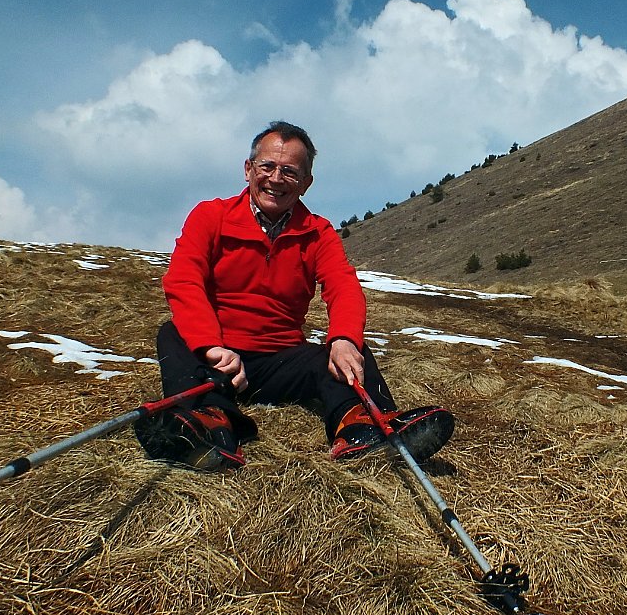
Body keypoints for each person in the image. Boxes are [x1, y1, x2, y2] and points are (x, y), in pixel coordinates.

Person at [136, 120, 453, 471]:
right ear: (248, 169)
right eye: (267, 166)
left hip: (281, 359)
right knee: (173, 333)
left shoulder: (318, 232)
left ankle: (364, 426)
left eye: (289, 171)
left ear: (306, 183)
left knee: (348, 349)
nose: (275, 179)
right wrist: (212, 347)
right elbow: (184, 280)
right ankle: (210, 423)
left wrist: (344, 339)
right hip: (219, 359)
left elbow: (343, 286)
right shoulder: (210, 216)